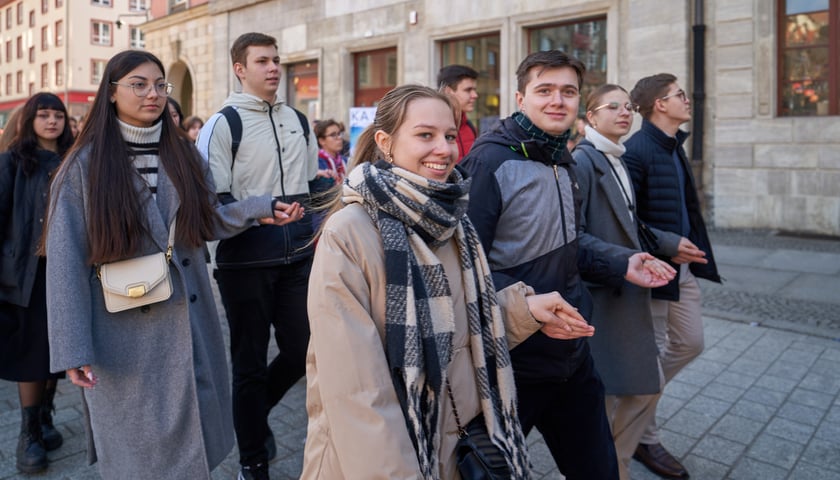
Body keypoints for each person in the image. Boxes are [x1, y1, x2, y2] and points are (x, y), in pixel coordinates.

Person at [301, 84, 593, 479]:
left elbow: (456, 329)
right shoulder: (349, 232)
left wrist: (523, 310)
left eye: (450, 135)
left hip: (452, 447)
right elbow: (355, 391)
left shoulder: (452, 220)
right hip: (379, 458)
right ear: (386, 142)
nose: (445, 148)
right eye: (426, 135)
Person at [43, 50, 303, 480]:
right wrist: (72, 347)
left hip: (188, 317)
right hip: (121, 329)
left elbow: (205, 220)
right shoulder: (83, 166)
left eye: (160, 84)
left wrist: (259, 208)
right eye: (139, 84)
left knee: (191, 440)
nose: (153, 94)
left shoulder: (183, 154)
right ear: (111, 93)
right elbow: (65, 262)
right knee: (138, 451)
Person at [462, 50, 671, 479]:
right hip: (512, 365)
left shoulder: (564, 158)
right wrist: (531, 305)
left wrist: (622, 262)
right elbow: (465, 266)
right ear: (520, 98)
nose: (557, 100)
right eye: (545, 90)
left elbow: (571, 244)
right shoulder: (490, 161)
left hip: (573, 356)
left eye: (568, 91)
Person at [196, 32, 318, 480]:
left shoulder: (299, 121)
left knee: (303, 348)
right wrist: (260, 210)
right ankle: (253, 459)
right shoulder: (222, 124)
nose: (273, 68)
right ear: (240, 69)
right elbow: (210, 207)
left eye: (276, 60)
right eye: (262, 61)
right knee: (247, 364)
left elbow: (312, 186)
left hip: (298, 257)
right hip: (244, 262)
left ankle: (252, 411)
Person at [571, 84, 679, 480]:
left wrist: (666, 243)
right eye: (612, 106)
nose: (624, 112)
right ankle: (606, 467)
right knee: (616, 391)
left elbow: (632, 222)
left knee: (639, 387)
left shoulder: (617, 157)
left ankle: (611, 463)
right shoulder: (583, 161)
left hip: (626, 287)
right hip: (606, 290)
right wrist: (623, 260)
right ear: (591, 117)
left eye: (628, 106)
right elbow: (574, 235)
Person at [623, 73, 721, 479]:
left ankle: (635, 400)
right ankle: (643, 437)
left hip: (681, 269)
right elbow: (626, 219)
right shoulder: (636, 150)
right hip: (655, 270)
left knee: (691, 342)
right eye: (680, 95)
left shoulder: (673, 146)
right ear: (659, 105)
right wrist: (664, 245)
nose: (688, 99)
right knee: (653, 361)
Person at [0, 93, 74, 474]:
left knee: (55, 350)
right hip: (24, 276)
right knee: (31, 354)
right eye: (43, 115)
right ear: (29, 119)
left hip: (65, 274)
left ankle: (46, 417)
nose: (51, 121)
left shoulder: (74, 161)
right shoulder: (13, 161)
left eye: (57, 115)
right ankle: (27, 434)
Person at [437, 64, 479, 161]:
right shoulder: (433, 128)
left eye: (474, 90)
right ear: (448, 91)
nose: (475, 95)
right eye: (468, 90)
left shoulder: (470, 127)